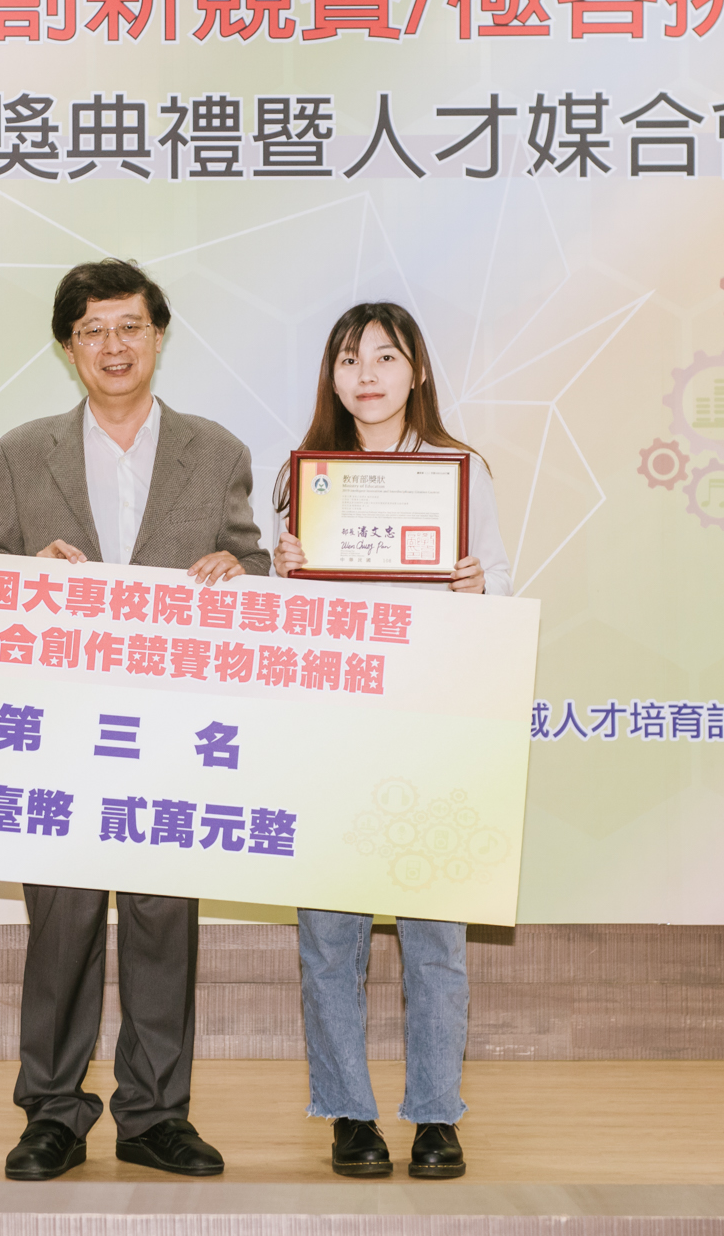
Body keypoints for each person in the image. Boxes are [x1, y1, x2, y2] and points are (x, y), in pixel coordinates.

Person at [0, 258, 270, 1181]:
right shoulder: (20, 452)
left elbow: (255, 569)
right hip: (59, 732)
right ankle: (52, 1112)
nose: (113, 345)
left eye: (130, 326)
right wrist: (25, 577)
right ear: (69, 347)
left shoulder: (216, 450)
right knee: (60, 924)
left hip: (172, 733)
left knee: (160, 921)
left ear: (159, 335)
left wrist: (238, 573)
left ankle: (154, 1113)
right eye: (93, 330)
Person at [271, 302, 509, 1181]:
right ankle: (349, 1112)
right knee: (329, 940)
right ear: (331, 377)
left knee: (435, 941)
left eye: (384, 356)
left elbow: (501, 586)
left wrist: (479, 585)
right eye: (348, 358)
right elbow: (279, 626)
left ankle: (437, 1116)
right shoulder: (301, 478)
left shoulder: (460, 471)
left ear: (418, 371)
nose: (365, 374)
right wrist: (282, 574)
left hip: (432, 730)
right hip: (334, 734)